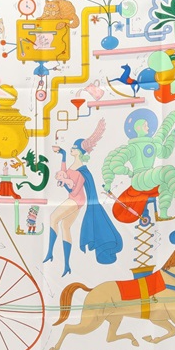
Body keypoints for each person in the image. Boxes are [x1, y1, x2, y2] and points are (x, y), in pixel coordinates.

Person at [44, 118, 122, 276]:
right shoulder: (73, 166)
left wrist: (65, 183)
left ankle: (50, 252)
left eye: (73, 148)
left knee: (53, 218)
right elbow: (64, 172)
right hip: (74, 200)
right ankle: (67, 265)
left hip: (76, 200)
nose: (71, 149)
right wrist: (63, 155)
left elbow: (74, 191)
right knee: (65, 227)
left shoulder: (82, 171)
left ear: (79, 151)